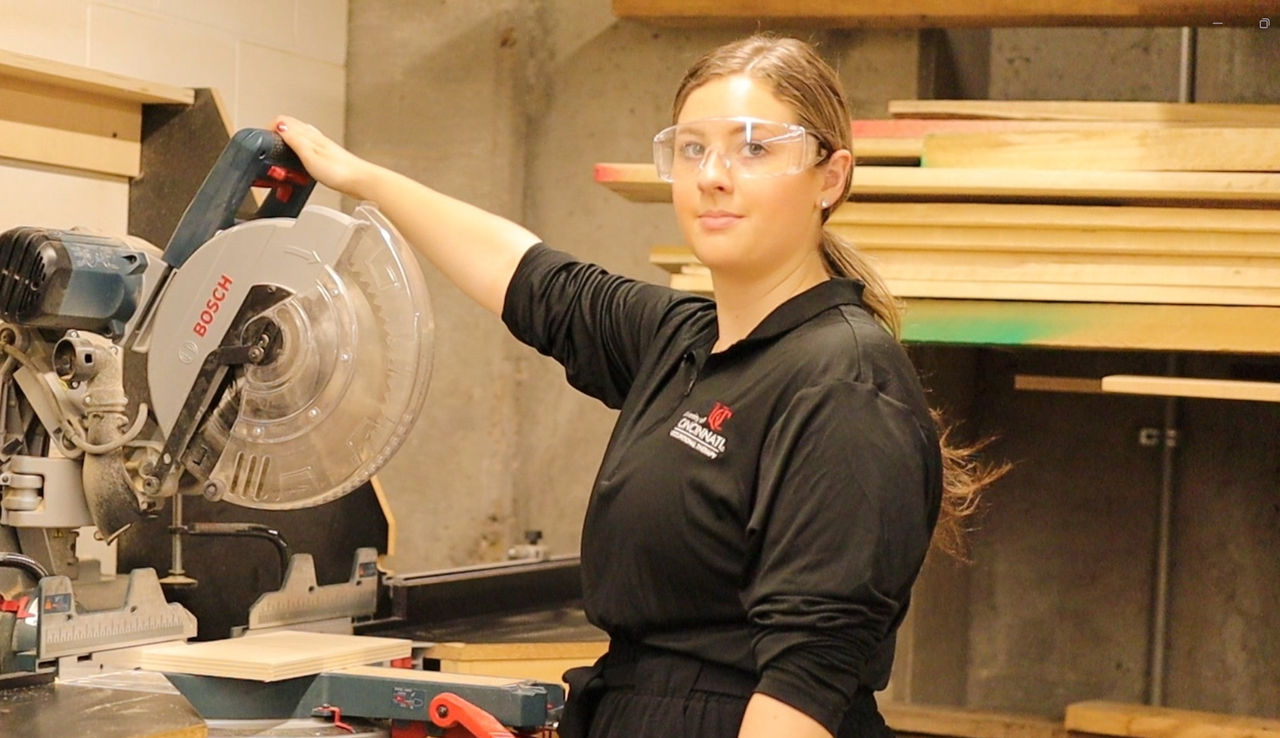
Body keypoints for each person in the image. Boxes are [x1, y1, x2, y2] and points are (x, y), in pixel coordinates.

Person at [276, 33, 1000, 738]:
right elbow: (531, 277)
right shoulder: (683, 340)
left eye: (754, 147)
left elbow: (806, 683)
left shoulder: (844, 379)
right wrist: (357, 176)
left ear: (829, 177)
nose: (714, 174)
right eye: (693, 148)